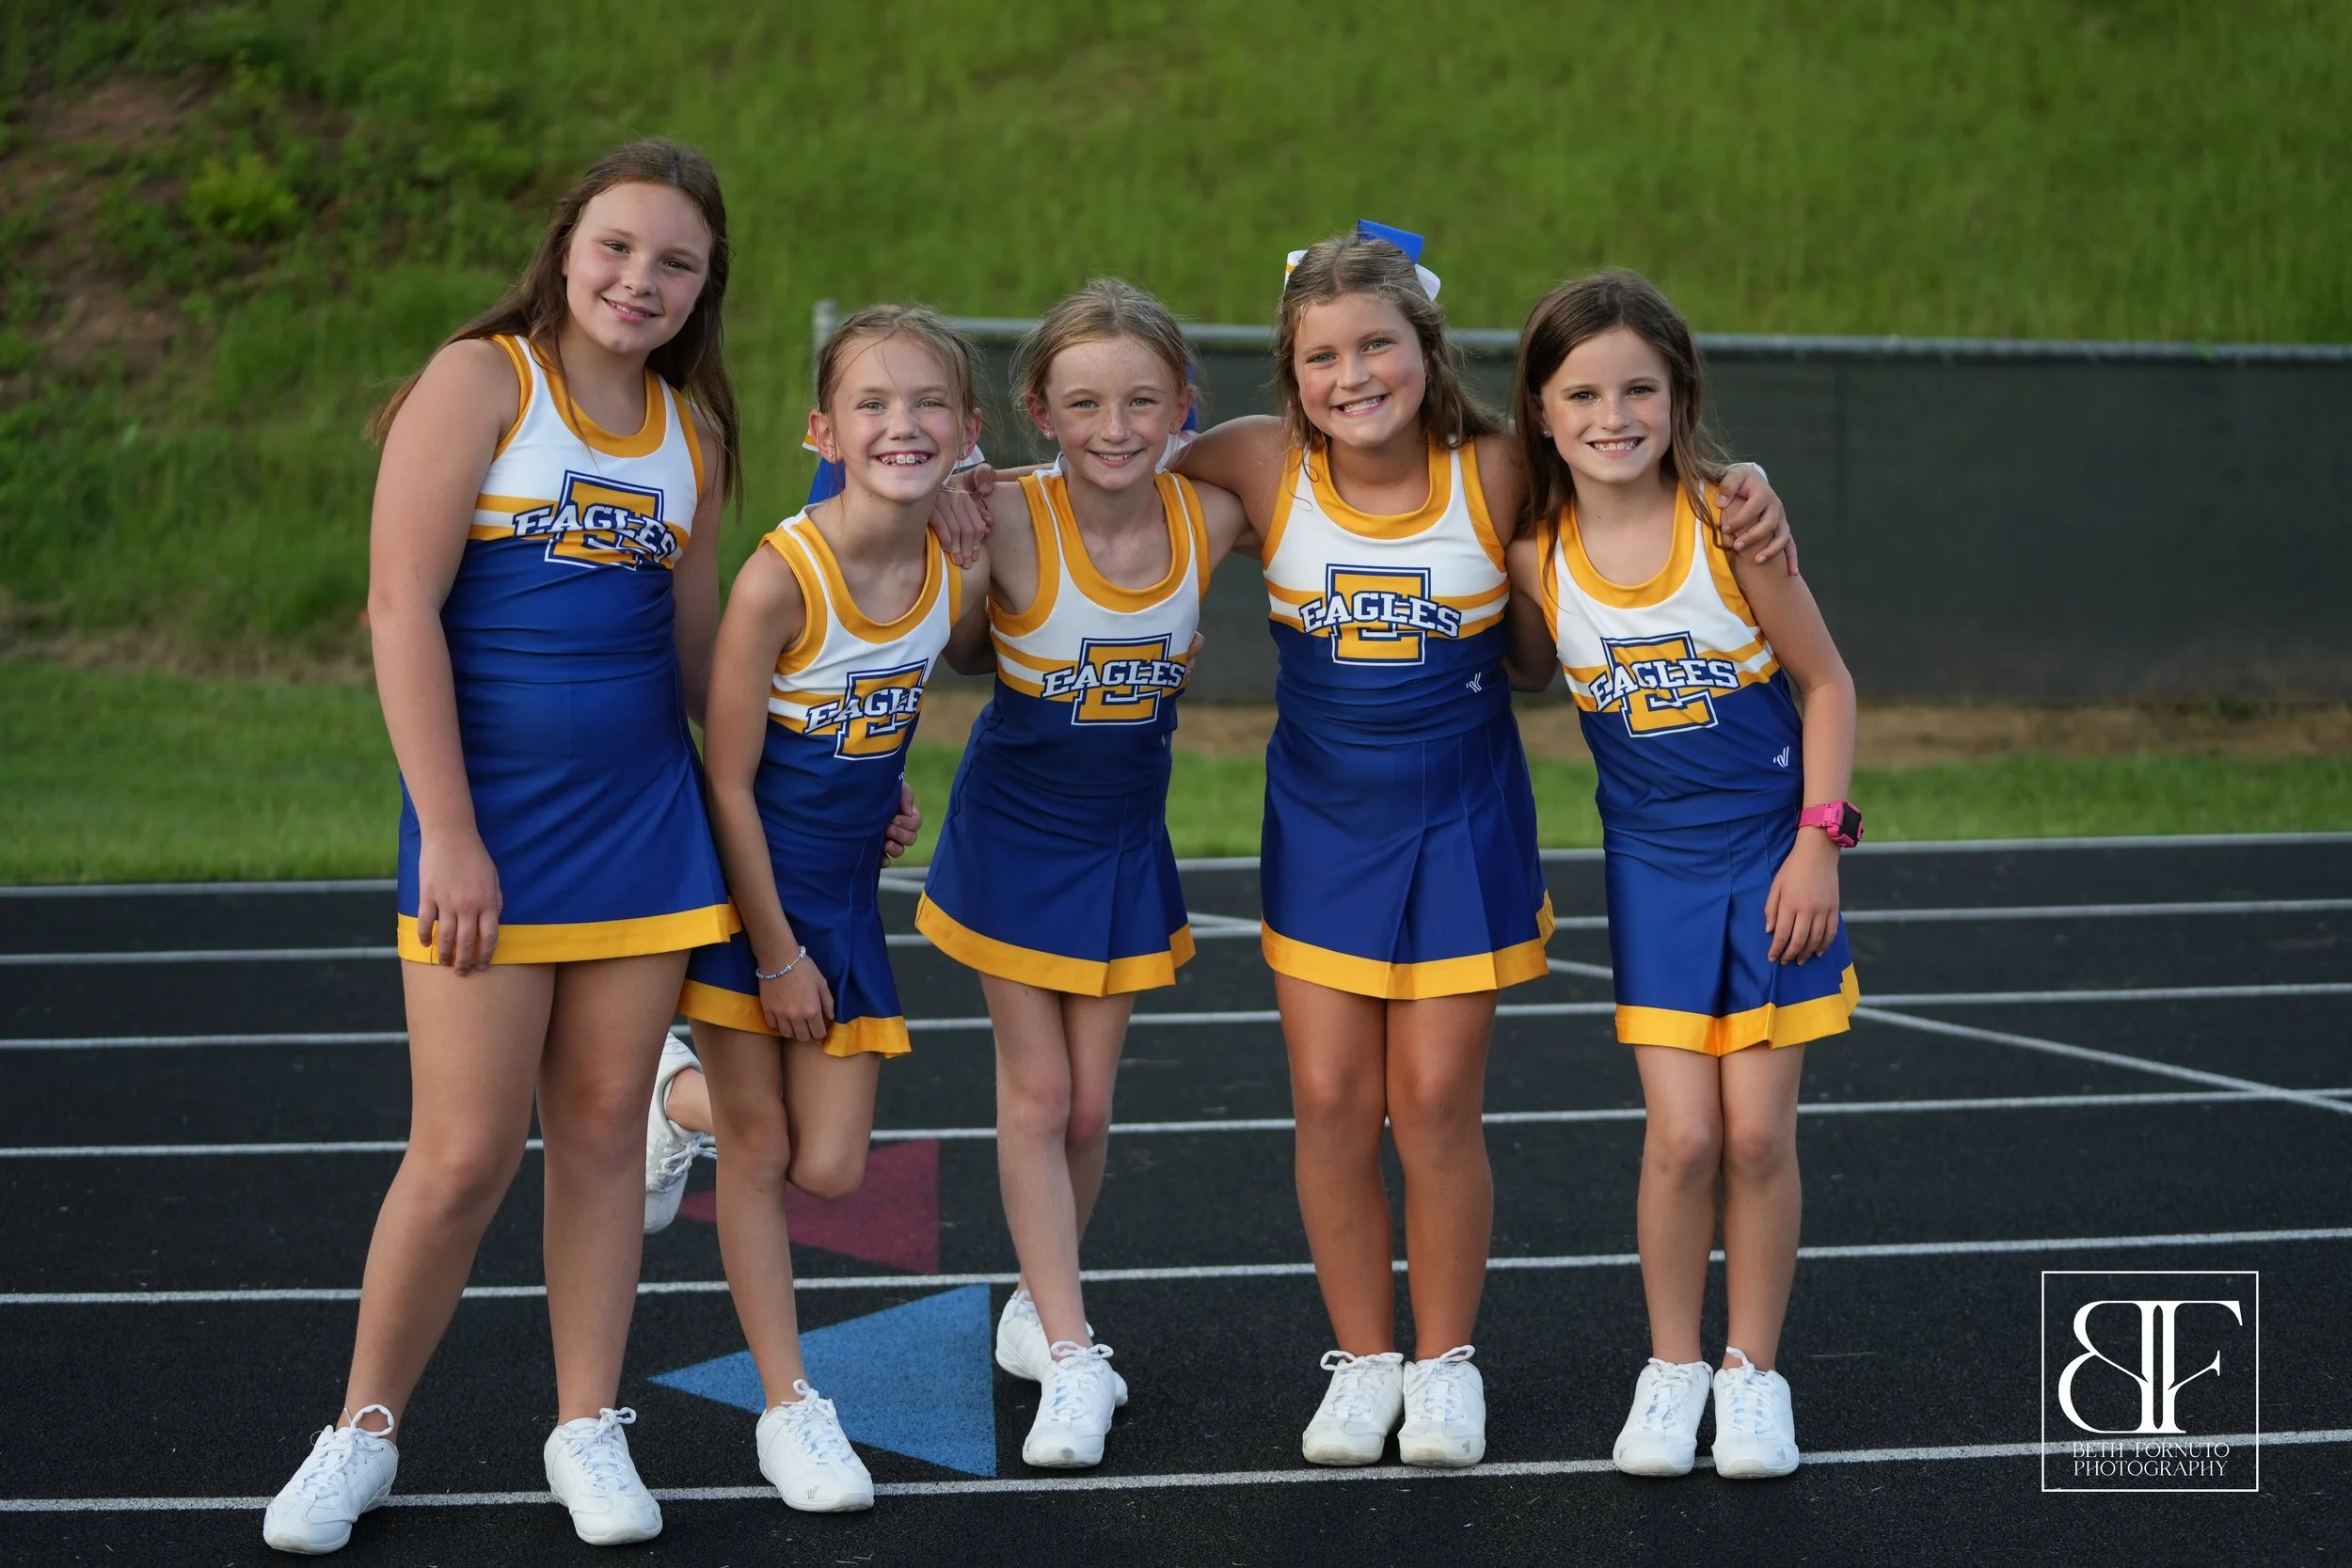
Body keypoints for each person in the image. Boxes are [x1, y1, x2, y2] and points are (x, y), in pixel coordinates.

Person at [1165, 229, 1797, 1468]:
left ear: (1428, 346)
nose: (1354, 375)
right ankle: (1365, 1358)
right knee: (1331, 1101)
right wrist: (977, 491)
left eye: (1378, 345)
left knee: (1436, 1103)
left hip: (1463, 826)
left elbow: (1636, 478)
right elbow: (1106, 475)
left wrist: (1750, 480)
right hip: (1322, 830)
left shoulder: (1502, 467)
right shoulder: (1255, 461)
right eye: (1322, 356)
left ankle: (1445, 1360)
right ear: (1290, 371)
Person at [263, 140, 739, 1554]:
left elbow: (703, 660)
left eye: (676, 263)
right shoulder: (482, 379)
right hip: (491, 828)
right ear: (566, 245)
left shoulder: (693, 434)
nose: (640, 280)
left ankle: (586, 1423)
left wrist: (815, 780)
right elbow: (398, 607)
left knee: (600, 1134)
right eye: (618, 247)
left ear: (706, 285)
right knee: (466, 1149)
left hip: (644, 827)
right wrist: (453, 835)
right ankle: (361, 1432)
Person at [1502, 269, 1858, 1481]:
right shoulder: (1534, 558)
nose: (1613, 415)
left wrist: (1820, 841)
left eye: (1638, 389)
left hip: (1772, 860)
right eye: (1582, 393)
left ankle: (1752, 1372)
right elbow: (1511, 658)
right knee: (1682, 1135)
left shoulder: (1730, 524)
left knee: (1756, 1135)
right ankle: (1671, 1366)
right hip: (1652, 870)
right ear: (1541, 410)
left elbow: (1827, 683)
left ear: (1678, 395)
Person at [910, 278, 1254, 1469]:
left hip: (1122, 840)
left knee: (1093, 1109)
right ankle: (1070, 1350)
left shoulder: (1213, 513)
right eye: (1086, 403)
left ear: (1183, 405)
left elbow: (1356, 479)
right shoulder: (1000, 512)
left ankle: (1032, 1296)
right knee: (1040, 1097)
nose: (1116, 427)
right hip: (1014, 836)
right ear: (1039, 409)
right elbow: (925, 629)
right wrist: (949, 500)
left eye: (1143, 401)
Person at [655, 305, 991, 1513]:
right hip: (750, 896)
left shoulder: (950, 560)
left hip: (847, 892)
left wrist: (881, 791)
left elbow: (1097, 466)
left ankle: (666, 1100)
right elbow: (728, 782)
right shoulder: (777, 579)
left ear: (966, 427)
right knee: (757, 1151)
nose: (902, 424)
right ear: (822, 431)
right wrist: (776, 955)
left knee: (834, 1166)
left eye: (929, 404)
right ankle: (791, 1403)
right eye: (872, 404)